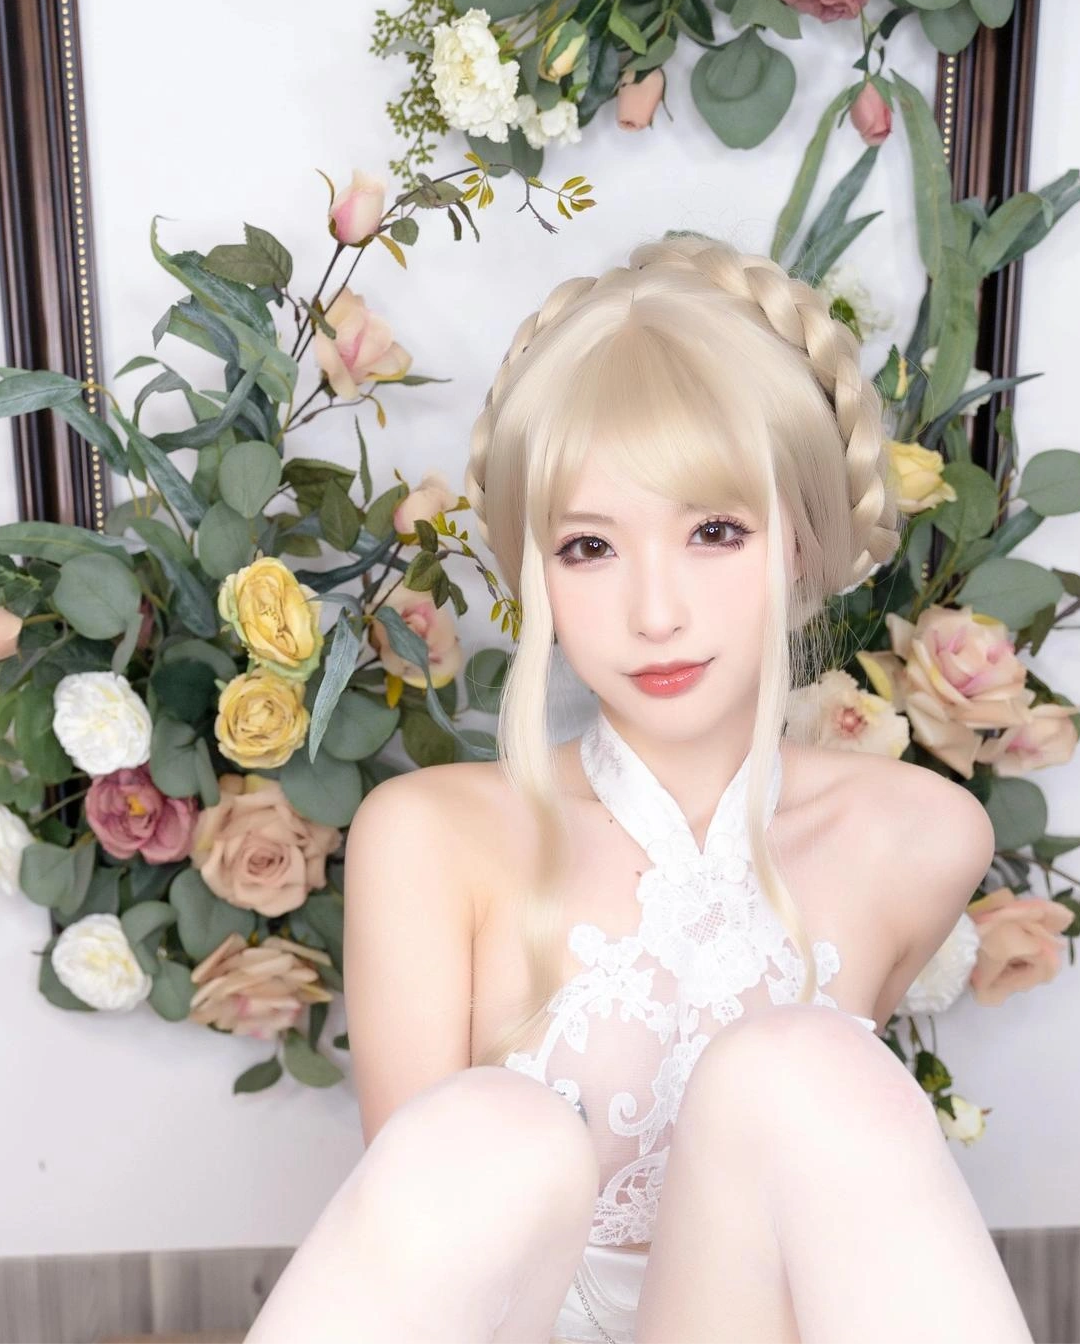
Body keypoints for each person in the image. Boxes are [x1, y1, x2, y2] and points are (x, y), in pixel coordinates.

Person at [242, 234, 1035, 1343]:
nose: (655, 612)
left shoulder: (918, 835)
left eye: (714, 532)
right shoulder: (429, 839)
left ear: (800, 544)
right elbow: (430, 1258)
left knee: (803, 1068)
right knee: (494, 1129)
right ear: (536, 572)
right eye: (588, 547)